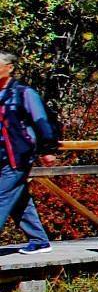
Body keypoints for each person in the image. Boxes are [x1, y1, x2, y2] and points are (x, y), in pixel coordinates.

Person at [0, 52, 57, 255]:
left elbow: (42, 121)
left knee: (2, 195)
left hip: (18, 155)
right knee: (18, 199)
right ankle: (39, 240)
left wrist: (48, 149)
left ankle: (39, 240)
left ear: (10, 68)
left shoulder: (23, 93)